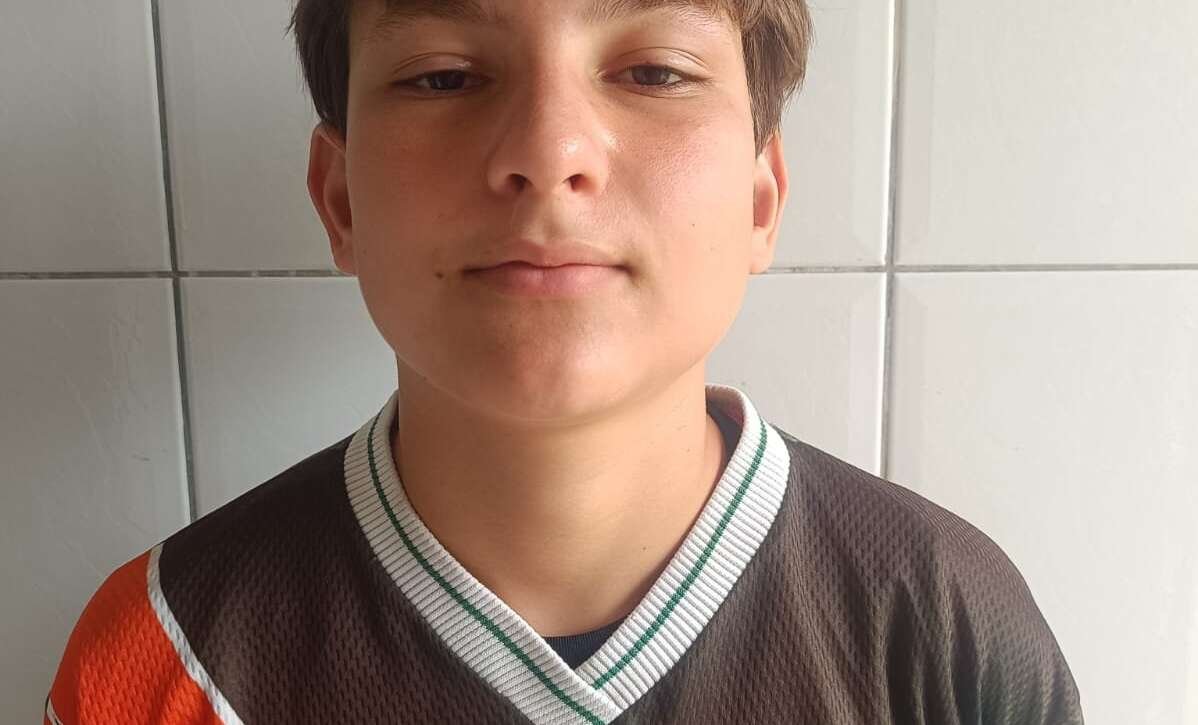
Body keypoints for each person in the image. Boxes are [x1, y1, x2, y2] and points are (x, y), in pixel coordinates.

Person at [43, 1, 1084, 722]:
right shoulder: (163, 652)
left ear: (760, 200)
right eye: (445, 75)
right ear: (341, 198)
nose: (548, 151)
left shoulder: (945, 627)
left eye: (653, 71)